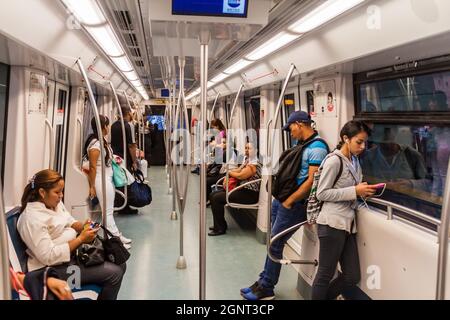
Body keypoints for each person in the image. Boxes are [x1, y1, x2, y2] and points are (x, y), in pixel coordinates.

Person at [241, 111, 328, 300]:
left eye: (290, 128)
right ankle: (263, 279)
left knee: (276, 244)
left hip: (294, 205)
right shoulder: (301, 145)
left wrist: (289, 201)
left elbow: (312, 181)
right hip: (282, 201)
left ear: (299, 124)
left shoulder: (318, 148)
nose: (290, 132)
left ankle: (267, 288)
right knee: (272, 241)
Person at [17, 169, 127, 300]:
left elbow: (68, 219)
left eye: (61, 191)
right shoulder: (32, 219)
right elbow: (48, 256)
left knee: (119, 261)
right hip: (51, 270)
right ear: (42, 192)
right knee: (114, 274)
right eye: (57, 192)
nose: (61, 195)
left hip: (70, 258)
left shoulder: (53, 204)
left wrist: (82, 226)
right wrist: (80, 239)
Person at [311, 121, 376, 300]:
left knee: (352, 276)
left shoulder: (354, 162)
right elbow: (322, 193)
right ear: (345, 139)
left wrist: (362, 193)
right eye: (359, 142)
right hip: (331, 223)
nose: (363, 147)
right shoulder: (334, 161)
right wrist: (354, 191)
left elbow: (351, 189)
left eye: (365, 143)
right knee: (325, 274)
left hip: (347, 224)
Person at [85, 115, 132, 247]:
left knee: (108, 211)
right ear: (103, 126)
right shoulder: (95, 144)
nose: (109, 127)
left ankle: (116, 237)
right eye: (107, 125)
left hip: (107, 177)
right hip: (101, 180)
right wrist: (92, 186)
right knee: (108, 212)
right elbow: (93, 167)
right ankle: (115, 241)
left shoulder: (102, 141)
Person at [208, 142, 261, 236]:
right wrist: (230, 172)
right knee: (213, 195)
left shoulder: (254, 164)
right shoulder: (248, 160)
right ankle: (220, 224)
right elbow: (239, 170)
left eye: (249, 148)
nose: (247, 150)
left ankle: (220, 228)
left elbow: (241, 175)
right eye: (246, 148)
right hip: (241, 190)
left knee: (216, 198)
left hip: (249, 194)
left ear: (256, 150)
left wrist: (229, 173)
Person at [111, 107, 140, 215]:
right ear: (128, 113)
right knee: (127, 181)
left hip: (115, 158)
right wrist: (134, 161)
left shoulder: (113, 125)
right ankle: (125, 207)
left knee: (118, 181)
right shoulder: (129, 126)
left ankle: (119, 204)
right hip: (125, 158)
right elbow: (132, 145)